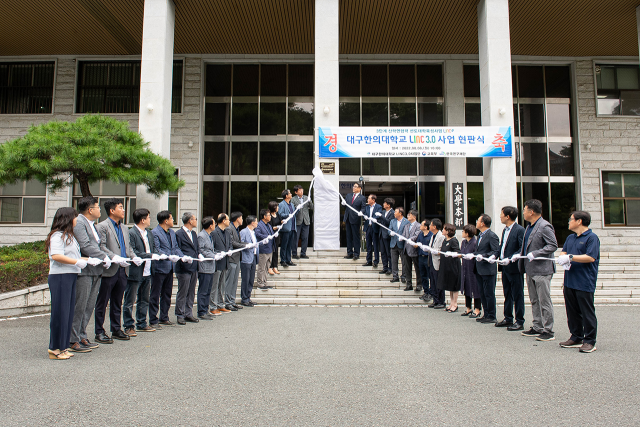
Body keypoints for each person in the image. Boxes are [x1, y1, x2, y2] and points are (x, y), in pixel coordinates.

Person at [45, 207, 87, 360]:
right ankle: (55, 348)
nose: (77, 220)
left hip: (70, 275)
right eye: (75, 217)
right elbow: (56, 256)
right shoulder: (57, 236)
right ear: (68, 218)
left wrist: (88, 260)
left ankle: (63, 347)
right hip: (60, 277)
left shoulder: (69, 236)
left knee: (68, 313)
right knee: (60, 313)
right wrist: (77, 261)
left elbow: (73, 256)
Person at [69, 196, 109, 353]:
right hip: (84, 271)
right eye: (98, 207)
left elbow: (98, 245)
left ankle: (82, 334)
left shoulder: (93, 225)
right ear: (90, 209)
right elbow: (85, 245)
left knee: (89, 305)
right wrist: (103, 256)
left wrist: (109, 257)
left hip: (96, 270)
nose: (100, 209)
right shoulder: (79, 222)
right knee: (80, 305)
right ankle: (72, 339)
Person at [95, 198, 138, 343]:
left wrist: (133, 257)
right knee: (103, 301)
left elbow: (128, 248)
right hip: (109, 270)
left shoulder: (125, 228)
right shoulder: (102, 226)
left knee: (117, 301)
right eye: (120, 207)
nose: (124, 210)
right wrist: (114, 257)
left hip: (123, 270)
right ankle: (99, 331)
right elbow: (101, 247)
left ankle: (116, 328)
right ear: (112, 210)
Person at [558, 211, 600, 353]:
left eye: (571, 219)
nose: (569, 222)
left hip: (584, 281)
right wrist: (563, 256)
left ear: (579, 221)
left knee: (586, 311)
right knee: (572, 311)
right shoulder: (570, 237)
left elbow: (590, 257)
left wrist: (570, 257)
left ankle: (589, 340)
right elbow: (564, 252)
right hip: (570, 280)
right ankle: (576, 336)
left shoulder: (592, 238)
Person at [518, 199, 558, 342]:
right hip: (530, 269)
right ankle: (537, 326)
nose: (523, 212)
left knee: (544, 300)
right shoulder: (529, 227)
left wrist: (536, 253)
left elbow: (553, 245)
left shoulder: (544, 226)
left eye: (524, 209)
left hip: (542, 269)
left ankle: (548, 330)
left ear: (531, 212)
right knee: (534, 300)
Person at [123, 208, 158, 336]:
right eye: (148, 217)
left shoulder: (149, 233)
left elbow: (153, 249)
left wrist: (156, 255)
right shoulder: (131, 233)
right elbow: (133, 252)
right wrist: (150, 255)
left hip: (148, 270)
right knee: (129, 300)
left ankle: (142, 323)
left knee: (144, 299)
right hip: (136, 271)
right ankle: (128, 325)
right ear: (143, 220)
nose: (149, 219)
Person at [150, 210, 184, 328]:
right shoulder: (154, 232)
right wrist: (168, 256)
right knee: (155, 294)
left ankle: (164, 317)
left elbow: (175, 248)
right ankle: (153, 319)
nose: (173, 220)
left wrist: (183, 257)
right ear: (165, 220)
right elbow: (156, 248)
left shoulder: (171, 233)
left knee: (167, 294)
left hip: (170, 268)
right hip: (159, 268)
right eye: (171, 218)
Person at [496, 206, 526, 331]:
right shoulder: (505, 230)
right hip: (505, 267)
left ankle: (519, 320)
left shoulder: (519, 230)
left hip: (514, 267)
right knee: (507, 293)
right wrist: (495, 256)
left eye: (502, 214)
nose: (500, 216)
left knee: (517, 294)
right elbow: (502, 246)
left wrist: (513, 257)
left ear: (508, 216)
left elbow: (522, 247)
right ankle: (508, 317)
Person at [473, 214, 500, 324]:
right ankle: (486, 314)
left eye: (478, 220)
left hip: (488, 269)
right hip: (479, 268)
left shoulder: (492, 235)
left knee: (489, 293)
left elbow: (495, 251)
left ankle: (492, 315)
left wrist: (483, 256)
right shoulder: (480, 235)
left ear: (483, 223)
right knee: (482, 293)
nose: (476, 222)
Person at [174, 212, 199, 325]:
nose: (196, 221)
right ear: (190, 220)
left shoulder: (194, 234)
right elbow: (176, 248)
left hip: (194, 265)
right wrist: (183, 257)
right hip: (183, 266)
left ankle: (188, 313)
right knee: (183, 291)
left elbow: (196, 248)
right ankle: (180, 314)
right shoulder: (179, 233)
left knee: (191, 291)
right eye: (195, 219)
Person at [210, 213, 232, 315]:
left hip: (225, 262)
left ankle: (220, 305)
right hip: (217, 262)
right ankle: (213, 306)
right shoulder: (214, 232)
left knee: (221, 285)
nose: (229, 221)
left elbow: (230, 244)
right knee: (215, 285)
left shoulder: (227, 232)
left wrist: (230, 250)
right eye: (228, 219)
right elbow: (212, 247)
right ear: (223, 220)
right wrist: (218, 253)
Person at [225, 212, 247, 311]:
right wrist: (245, 245)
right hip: (232, 258)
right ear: (237, 219)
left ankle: (232, 301)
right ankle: (227, 302)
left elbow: (237, 242)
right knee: (229, 281)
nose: (242, 220)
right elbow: (232, 242)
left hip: (237, 258)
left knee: (234, 281)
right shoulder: (229, 228)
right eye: (241, 218)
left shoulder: (236, 228)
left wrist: (247, 244)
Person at [437, 223, 461, 312]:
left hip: (453, 266)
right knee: (449, 286)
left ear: (448, 231)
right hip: (445, 266)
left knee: (454, 286)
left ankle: (455, 304)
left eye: (444, 229)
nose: (442, 230)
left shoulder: (454, 241)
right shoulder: (445, 240)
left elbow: (457, 252)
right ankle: (451, 303)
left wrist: (450, 254)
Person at [196, 216, 216, 320]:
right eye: (214, 223)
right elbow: (201, 250)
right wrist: (213, 255)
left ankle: (205, 309)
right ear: (210, 225)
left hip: (210, 266)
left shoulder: (209, 235)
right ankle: (201, 311)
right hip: (204, 267)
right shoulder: (201, 236)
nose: (215, 225)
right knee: (203, 290)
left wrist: (216, 254)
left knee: (208, 290)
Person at [459, 225, 481, 318]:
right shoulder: (464, 242)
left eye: (463, 231)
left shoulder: (475, 242)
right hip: (465, 267)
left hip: (473, 268)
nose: (462, 233)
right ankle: (468, 308)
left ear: (467, 233)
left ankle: (477, 309)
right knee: (466, 286)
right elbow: (462, 253)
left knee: (475, 288)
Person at [343, 182, 366, 260]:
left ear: (360, 188)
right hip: (348, 218)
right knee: (348, 236)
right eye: (353, 186)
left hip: (355, 219)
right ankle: (349, 253)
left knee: (355, 236)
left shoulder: (362, 198)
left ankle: (356, 253)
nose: (354, 188)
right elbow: (345, 207)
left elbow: (363, 208)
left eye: (355, 186)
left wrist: (361, 212)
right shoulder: (349, 196)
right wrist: (343, 204)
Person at [240, 215, 259, 307]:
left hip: (253, 257)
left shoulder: (253, 232)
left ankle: (248, 297)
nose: (257, 223)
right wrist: (250, 244)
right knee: (246, 279)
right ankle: (244, 298)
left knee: (251, 279)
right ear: (252, 222)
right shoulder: (244, 232)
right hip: (246, 258)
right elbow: (240, 243)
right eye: (256, 221)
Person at [255, 208, 275, 295]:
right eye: (269, 215)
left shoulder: (269, 225)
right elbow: (257, 234)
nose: (270, 216)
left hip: (269, 249)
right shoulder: (259, 225)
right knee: (261, 267)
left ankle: (264, 282)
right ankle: (260, 283)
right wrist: (266, 236)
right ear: (264, 216)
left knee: (267, 267)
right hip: (263, 249)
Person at [427, 219, 446, 308]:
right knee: (433, 282)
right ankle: (435, 300)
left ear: (434, 226)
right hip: (431, 261)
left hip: (437, 261)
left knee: (438, 282)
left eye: (431, 225)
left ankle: (441, 301)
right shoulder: (433, 236)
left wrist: (433, 251)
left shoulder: (441, 236)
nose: (429, 226)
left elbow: (441, 251)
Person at [291, 184, 313, 259]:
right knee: (295, 238)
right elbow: (292, 210)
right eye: (300, 190)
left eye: (302, 190)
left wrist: (310, 202)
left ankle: (303, 253)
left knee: (305, 237)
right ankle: (294, 253)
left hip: (306, 221)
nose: (301, 191)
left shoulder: (306, 197)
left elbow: (312, 207)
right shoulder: (293, 199)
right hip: (297, 221)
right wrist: (297, 208)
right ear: (296, 192)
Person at [402, 210, 422, 292]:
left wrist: (410, 239)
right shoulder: (406, 226)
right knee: (407, 268)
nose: (408, 216)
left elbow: (416, 235)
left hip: (414, 249)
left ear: (414, 216)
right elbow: (403, 234)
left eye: (409, 215)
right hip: (406, 249)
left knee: (417, 269)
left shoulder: (418, 226)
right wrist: (402, 238)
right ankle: (409, 284)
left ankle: (419, 285)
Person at [361, 194, 382, 267]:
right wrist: (364, 216)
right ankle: (369, 260)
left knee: (375, 245)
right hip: (368, 227)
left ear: (373, 200)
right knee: (368, 245)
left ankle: (376, 261)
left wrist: (374, 218)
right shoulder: (367, 208)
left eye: (369, 198)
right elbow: (364, 214)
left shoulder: (378, 207)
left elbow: (379, 215)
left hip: (375, 227)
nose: (367, 200)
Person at [389, 207, 409, 284]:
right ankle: (395, 276)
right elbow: (389, 230)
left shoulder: (406, 222)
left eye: (396, 212)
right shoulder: (392, 221)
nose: (394, 213)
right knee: (394, 261)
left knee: (404, 261)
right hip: (393, 244)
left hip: (402, 245)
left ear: (400, 213)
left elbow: (407, 232)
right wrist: (390, 233)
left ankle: (403, 276)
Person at [278, 189, 297, 267]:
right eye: (290, 193)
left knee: (290, 245)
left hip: (292, 227)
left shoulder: (292, 205)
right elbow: (280, 214)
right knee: (284, 245)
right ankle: (283, 260)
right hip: (286, 228)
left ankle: (288, 260)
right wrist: (287, 215)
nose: (291, 194)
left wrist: (298, 209)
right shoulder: (282, 204)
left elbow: (294, 214)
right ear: (286, 196)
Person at [416, 219, 433, 302]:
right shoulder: (420, 234)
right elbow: (417, 243)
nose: (420, 226)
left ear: (426, 227)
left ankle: (431, 293)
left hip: (428, 257)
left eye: (422, 225)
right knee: (423, 276)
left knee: (430, 275)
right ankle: (426, 292)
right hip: (420, 257)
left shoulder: (431, 235)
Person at [378, 198, 395, 275]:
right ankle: (385, 267)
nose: (383, 204)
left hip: (387, 235)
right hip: (381, 234)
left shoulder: (392, 213)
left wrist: (381, 216)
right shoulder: (383, 211)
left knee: (388, 253)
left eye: (385, 203)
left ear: (388, 205)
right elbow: (381, 222)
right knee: (383, 252)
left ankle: (390, 268)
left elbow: (389, 222)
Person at [268, 201, 281, 275]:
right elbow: (269, 227)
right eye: (276, 206)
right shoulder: (269, 215)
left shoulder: (277, 214)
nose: (278, 208)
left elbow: (280, 221)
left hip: (277, 235)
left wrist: (283, 221)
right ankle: (270, 267)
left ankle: (275, 266)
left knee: (276, 251)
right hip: (271, 236)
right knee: (271, 251)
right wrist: (276, 227)